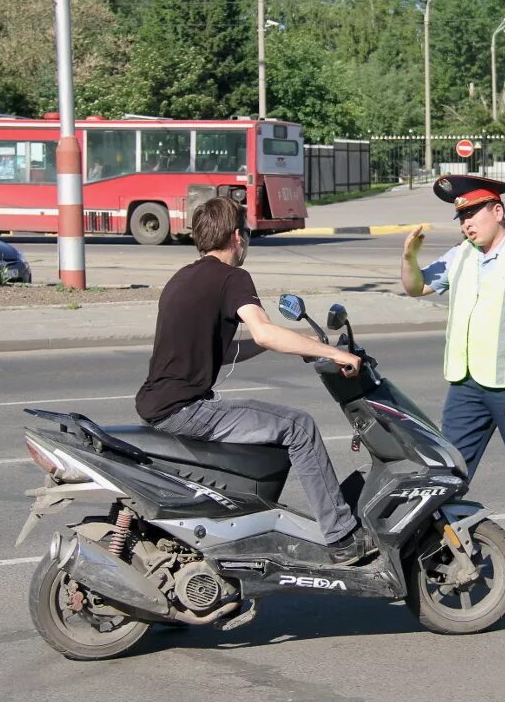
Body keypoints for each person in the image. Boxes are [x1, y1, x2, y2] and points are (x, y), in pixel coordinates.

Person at [135, 197, 373, 565]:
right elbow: (263, 332)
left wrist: (302, 346)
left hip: (161, 404)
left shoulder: (183, 277)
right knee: (299, 427)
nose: (246, 240)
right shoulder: (232, 277)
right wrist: (336, 354)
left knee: (277, 430)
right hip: (186, 409)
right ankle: (341, 537)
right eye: (246, 233)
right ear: (236, 236)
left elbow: (225, 350)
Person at [401, 175, 505, 577]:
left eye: (472, 214)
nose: (466, 224)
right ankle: (439, 545)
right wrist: (409, 258)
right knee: (447, 471)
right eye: (461, 217)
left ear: (497, 211)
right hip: (466, 383)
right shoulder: (462, 255)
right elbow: (416, 288)